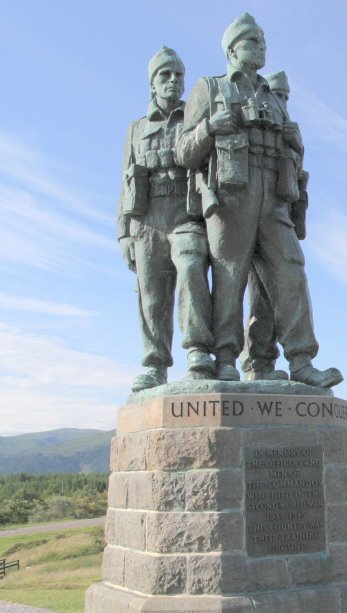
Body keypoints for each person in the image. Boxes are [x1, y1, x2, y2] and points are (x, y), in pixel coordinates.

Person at [176, 13, 341, 387]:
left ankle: (301, 360)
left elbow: (292, 155)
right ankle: (224, 358)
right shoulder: (210, 88)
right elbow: (184, 151)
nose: (262, 46)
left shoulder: (271, 95)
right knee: (229, 276)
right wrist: (207, 128)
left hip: (274, 197)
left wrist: (296, 144)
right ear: (232, 50)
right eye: (253, 41)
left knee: (291, 269)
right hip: (232, 195)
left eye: (264, 41)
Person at [118, 46, 214, 392]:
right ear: (152, 85)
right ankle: (155, 364)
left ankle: (198, 352)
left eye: (178, 75)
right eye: (165, 75)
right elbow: (124, 181)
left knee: (191, 266)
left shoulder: (194, 116)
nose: (173, 81)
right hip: (146, 219)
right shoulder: (136, 128)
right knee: (152, 295)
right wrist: (123, 235)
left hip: (185, 213)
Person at [240, 71, 309, 381]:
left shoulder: (290, 136)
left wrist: (298, 148)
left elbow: (299, 184)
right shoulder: (255, 123)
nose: (281, 101)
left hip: (278, 216)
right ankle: (255, 362)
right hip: (243, 210)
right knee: (253, 294)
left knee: (270, 295)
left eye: (285, 96)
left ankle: (266, 362)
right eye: (277, 94)